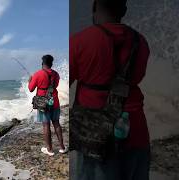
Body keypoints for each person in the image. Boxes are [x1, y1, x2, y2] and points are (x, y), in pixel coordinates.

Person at [70, 0, 150, 179]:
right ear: (124, 10)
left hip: (96, 137)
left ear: (94, 7)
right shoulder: (141, 41)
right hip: (137, 132)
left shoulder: (79, 41)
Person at [28, 54, 67, 156]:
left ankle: (49, 150)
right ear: (51, 63)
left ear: (42, 63)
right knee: (56, 123)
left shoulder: (37, 74)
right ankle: (62, 147)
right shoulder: (56, 74)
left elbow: (31, 89)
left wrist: (30, 81)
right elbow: (56, 85)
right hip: (54, 101)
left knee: (46, 125)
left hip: (43, 103)